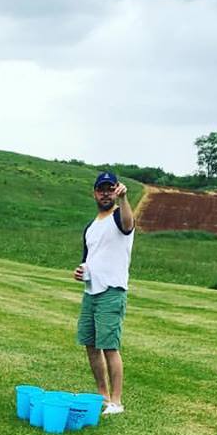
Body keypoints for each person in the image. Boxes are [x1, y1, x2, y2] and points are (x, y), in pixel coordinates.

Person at [73, 170, 135, 415]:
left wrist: (124, 199)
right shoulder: (91, 227)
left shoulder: (120, 216)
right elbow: (89, 259)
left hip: (112, 290)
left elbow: (129, 225)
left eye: (110, 189)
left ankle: (116, 402)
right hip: (91, 292)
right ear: (95, 193)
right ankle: (103, 396)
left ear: (115, 190)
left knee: (109, 346)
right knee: (90, 344)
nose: (106, 193)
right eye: (102, 189)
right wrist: (80, 271)